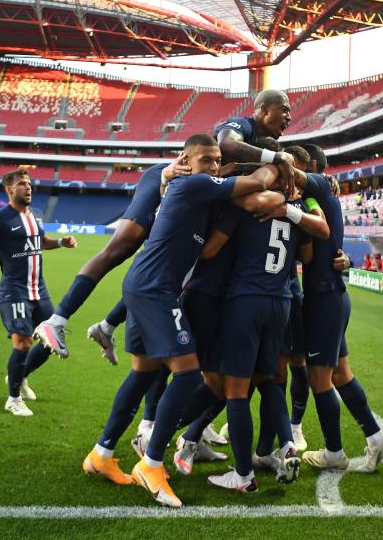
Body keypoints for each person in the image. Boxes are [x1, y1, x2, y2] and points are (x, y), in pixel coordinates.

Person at [82, 134, 281, 508]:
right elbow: (257, 185)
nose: (211, 166)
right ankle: (152, 463)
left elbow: (208, 243)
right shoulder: (194, 183)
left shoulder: (196, 189)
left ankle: (101, 454)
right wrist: (278, 162)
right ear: (186, 161)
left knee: (142, 375)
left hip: (146, 286)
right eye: (205, 159)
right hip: (155, 290)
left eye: (216, 160)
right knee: (188, 373)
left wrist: (231, 172)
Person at [199, 153, 319, 492]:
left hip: (245, 301)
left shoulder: (246, 206)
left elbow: (210, 251)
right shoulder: (298, 213)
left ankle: (243, 476)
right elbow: (306, 257)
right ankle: (286, 445)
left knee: (235, 391)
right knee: (271, 381)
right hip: (280, 303)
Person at [286, 147, 383, 474]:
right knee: (340, 374)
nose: (288, 174)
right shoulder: (318, 196)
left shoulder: (318, 187)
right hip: (332, 296)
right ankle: (376, 438)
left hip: (324, 299)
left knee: (320, 378)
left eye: (294, 168)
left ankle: (334, 453)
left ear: (313, 168)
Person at [33, 154, 190, 360]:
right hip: (169, 176)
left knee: (156, 271)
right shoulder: (239, 131)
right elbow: (222, 145)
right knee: (119, 249)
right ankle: (56, 320)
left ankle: (106, 327)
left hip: (189, 186)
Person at [0, 170, 78, 417]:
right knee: (24, 342)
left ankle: (20, 376)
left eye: (29, 184)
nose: (28, 188)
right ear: (9, 190)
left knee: (51, 341)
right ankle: (13, 399)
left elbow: (40, 241)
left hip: (40, 289)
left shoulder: (34, 216)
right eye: (21, 184)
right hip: (15, 290)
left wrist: (61, 242)